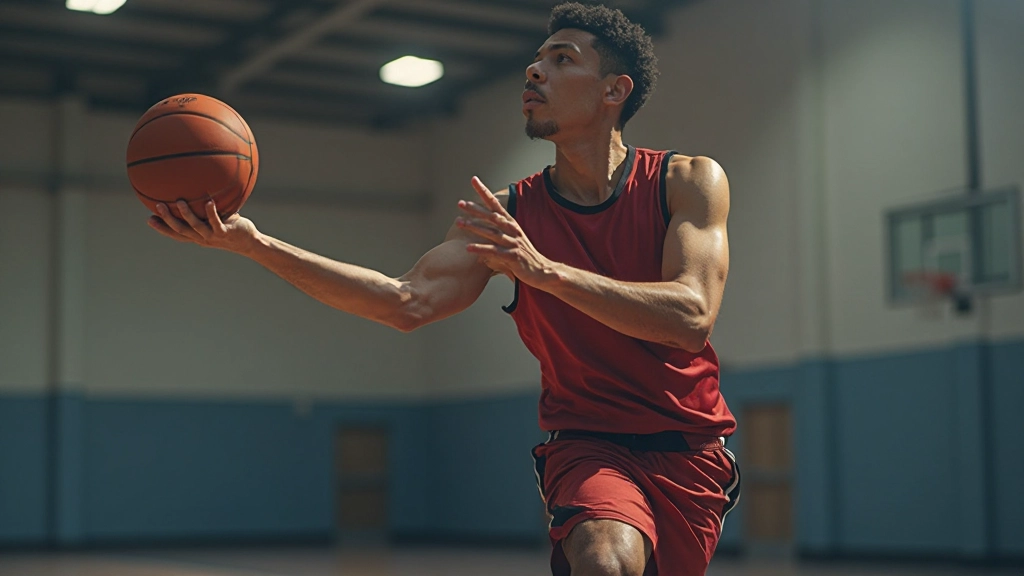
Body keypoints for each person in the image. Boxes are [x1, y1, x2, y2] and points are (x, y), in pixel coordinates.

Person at [148, 3, 739, 575]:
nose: (534, 71)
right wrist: (256, 246)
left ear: (615, 90)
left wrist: (545, 273)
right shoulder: (505, 213)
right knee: (604, 560)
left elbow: (691, 317)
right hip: (588, 442)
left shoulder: (686, 181)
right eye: (535, 60)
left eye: (562, 60)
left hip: (690, 448)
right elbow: (406, 302)